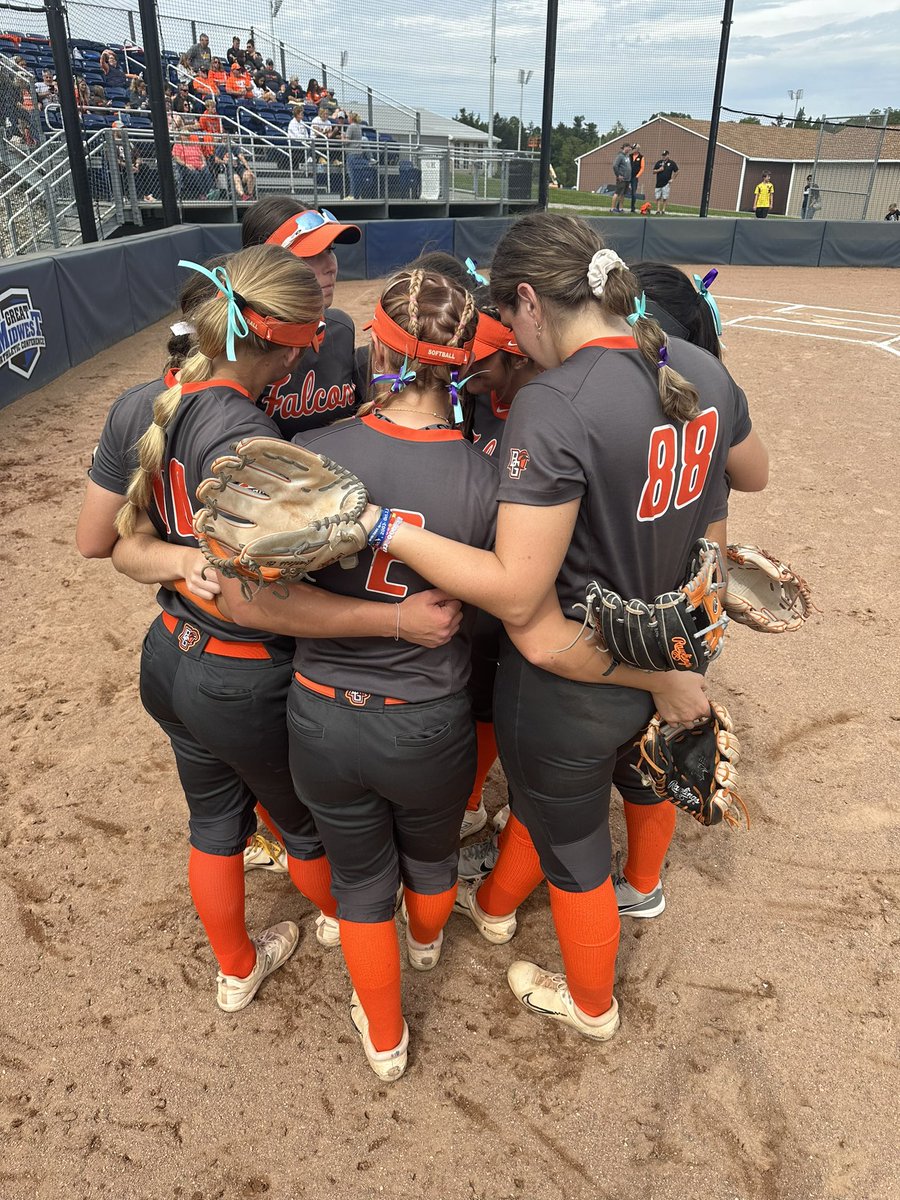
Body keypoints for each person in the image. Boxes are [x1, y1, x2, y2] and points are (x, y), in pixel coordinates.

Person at [364, 211, 769, 1042]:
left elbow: (519, 598)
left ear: (529, 301)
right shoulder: (696, 367)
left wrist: (381, 526)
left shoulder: (556, 399)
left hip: (573, 674)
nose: (512, 342)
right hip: (669, 648)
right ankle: (500, 905)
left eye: (511, 322)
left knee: (577, 849)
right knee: (589, 811)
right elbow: (749, 477)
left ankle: (591, 1006)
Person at [222, 267, 495, 1081]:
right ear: (464, 359)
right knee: (434, 861)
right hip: (430, 715)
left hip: (325, 713)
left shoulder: (314, 452)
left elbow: (255, 603)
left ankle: (384, 1039)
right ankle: (424, 943)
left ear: (378, 346)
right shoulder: (491, 476)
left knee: (363, 883)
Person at [107, 245, 341, 1011]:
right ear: (273, 339)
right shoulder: (241, 428)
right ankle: (352, 919)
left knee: (214, 820)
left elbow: (105, 542)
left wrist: (175, 562)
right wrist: (394, 617)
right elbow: (253, 603)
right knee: (302, 827)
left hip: (166, 657)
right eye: (304, 342)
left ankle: (237, 969)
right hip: (237, 672)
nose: (304, 361)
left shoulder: (154, 399)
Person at [243, 198, 367, 436]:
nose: (330, 266)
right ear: (265, 266)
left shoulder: (339, 330)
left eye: (331, 250)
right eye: (311, 254)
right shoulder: (238, 346)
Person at [342, 112, 370, 199]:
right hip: (358, 154)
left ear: (351, 118)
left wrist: (342, 137)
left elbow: (347, 141)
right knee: (357, 176)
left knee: (352, 175)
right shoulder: (359, 127)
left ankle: (352, 195)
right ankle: (357, 195)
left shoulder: (351, 126)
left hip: (352, 153)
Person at [652, 150, 678, 214]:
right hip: (658, 183)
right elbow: (653, 171)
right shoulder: (659, 162)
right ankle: (658, 210)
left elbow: (677, 171)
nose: (663, 157)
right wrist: (659, 170)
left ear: (668, 155)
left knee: (665, 197)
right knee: (658, 197)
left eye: (665, 155)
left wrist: (672, 179)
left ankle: (663, 210)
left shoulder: (671, 163)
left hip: (666, 183)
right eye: (663, 155)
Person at [287, 105, 311, 173]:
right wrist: (304, 138)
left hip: (302, 141)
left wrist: (306, 138)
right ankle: (308, 159)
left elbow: (306, 133)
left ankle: (310, 159)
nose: (303, 115)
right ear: (297, 114)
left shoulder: (302, 122)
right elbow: (296, 135)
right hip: (294, 141)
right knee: (308, 146)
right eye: (301, 113)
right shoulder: (292, 123)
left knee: (311, 144)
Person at [611, 142, 631, 213]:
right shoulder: (620, 156)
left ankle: (620, 208)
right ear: (625, 147)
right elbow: (615, 166)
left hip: (627, 179)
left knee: (623, 194)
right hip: (621, 178)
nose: (629, 149)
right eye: (628, 147)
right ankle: (612, 208)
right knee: (617, 193)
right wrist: (618, 175)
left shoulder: (627, 156)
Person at [628, 143, 645, 214]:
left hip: (635, 177)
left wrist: (637, 176)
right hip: (628, 176)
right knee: (622, 191)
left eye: (634, 148)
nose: (633, 149)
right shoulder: (629, 156)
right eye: (633, 148)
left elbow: (642, 168)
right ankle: (618, 206)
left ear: (637, 149)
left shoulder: (641, 157)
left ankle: (632, 208)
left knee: (633, 193)